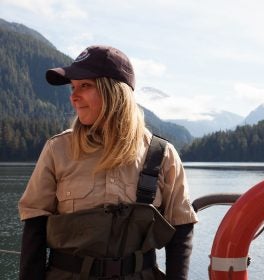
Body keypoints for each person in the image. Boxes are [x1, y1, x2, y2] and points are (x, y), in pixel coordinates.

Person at [18, 45, 198, 280]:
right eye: (73, 87)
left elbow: (181, 228)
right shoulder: (57, 149)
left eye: (85, 86)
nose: (73, 96)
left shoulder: (162, 154)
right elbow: (35, 226)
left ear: (114, 92)